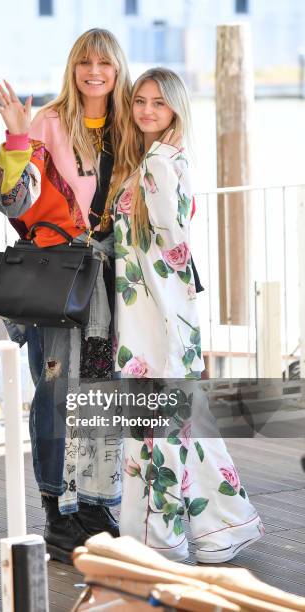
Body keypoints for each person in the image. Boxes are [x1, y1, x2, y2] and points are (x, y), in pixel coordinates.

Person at [0, 29, 133, 563]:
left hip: (115, 283)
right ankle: (58, 511)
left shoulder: (131, 126)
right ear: (73, 68)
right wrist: (16, 139)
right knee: (54, 395)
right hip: (60, 278)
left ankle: (97, 507)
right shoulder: (45, 122)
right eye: (85, 63)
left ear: (118, 70)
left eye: (105, 63)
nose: (94, 72)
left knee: (102, 393)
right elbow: (11, 201)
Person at [111, 68, 264, 562]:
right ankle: (216, 532)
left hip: (155, 320)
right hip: (155, 317)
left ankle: (160, 542)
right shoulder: (155, 160)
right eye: (140, 100)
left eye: (159, 102)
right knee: (182, 428)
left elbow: (171, 244)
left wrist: (172, 330)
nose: (147, 110)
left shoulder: (159, 161)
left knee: (156, 430)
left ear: (175, 108)